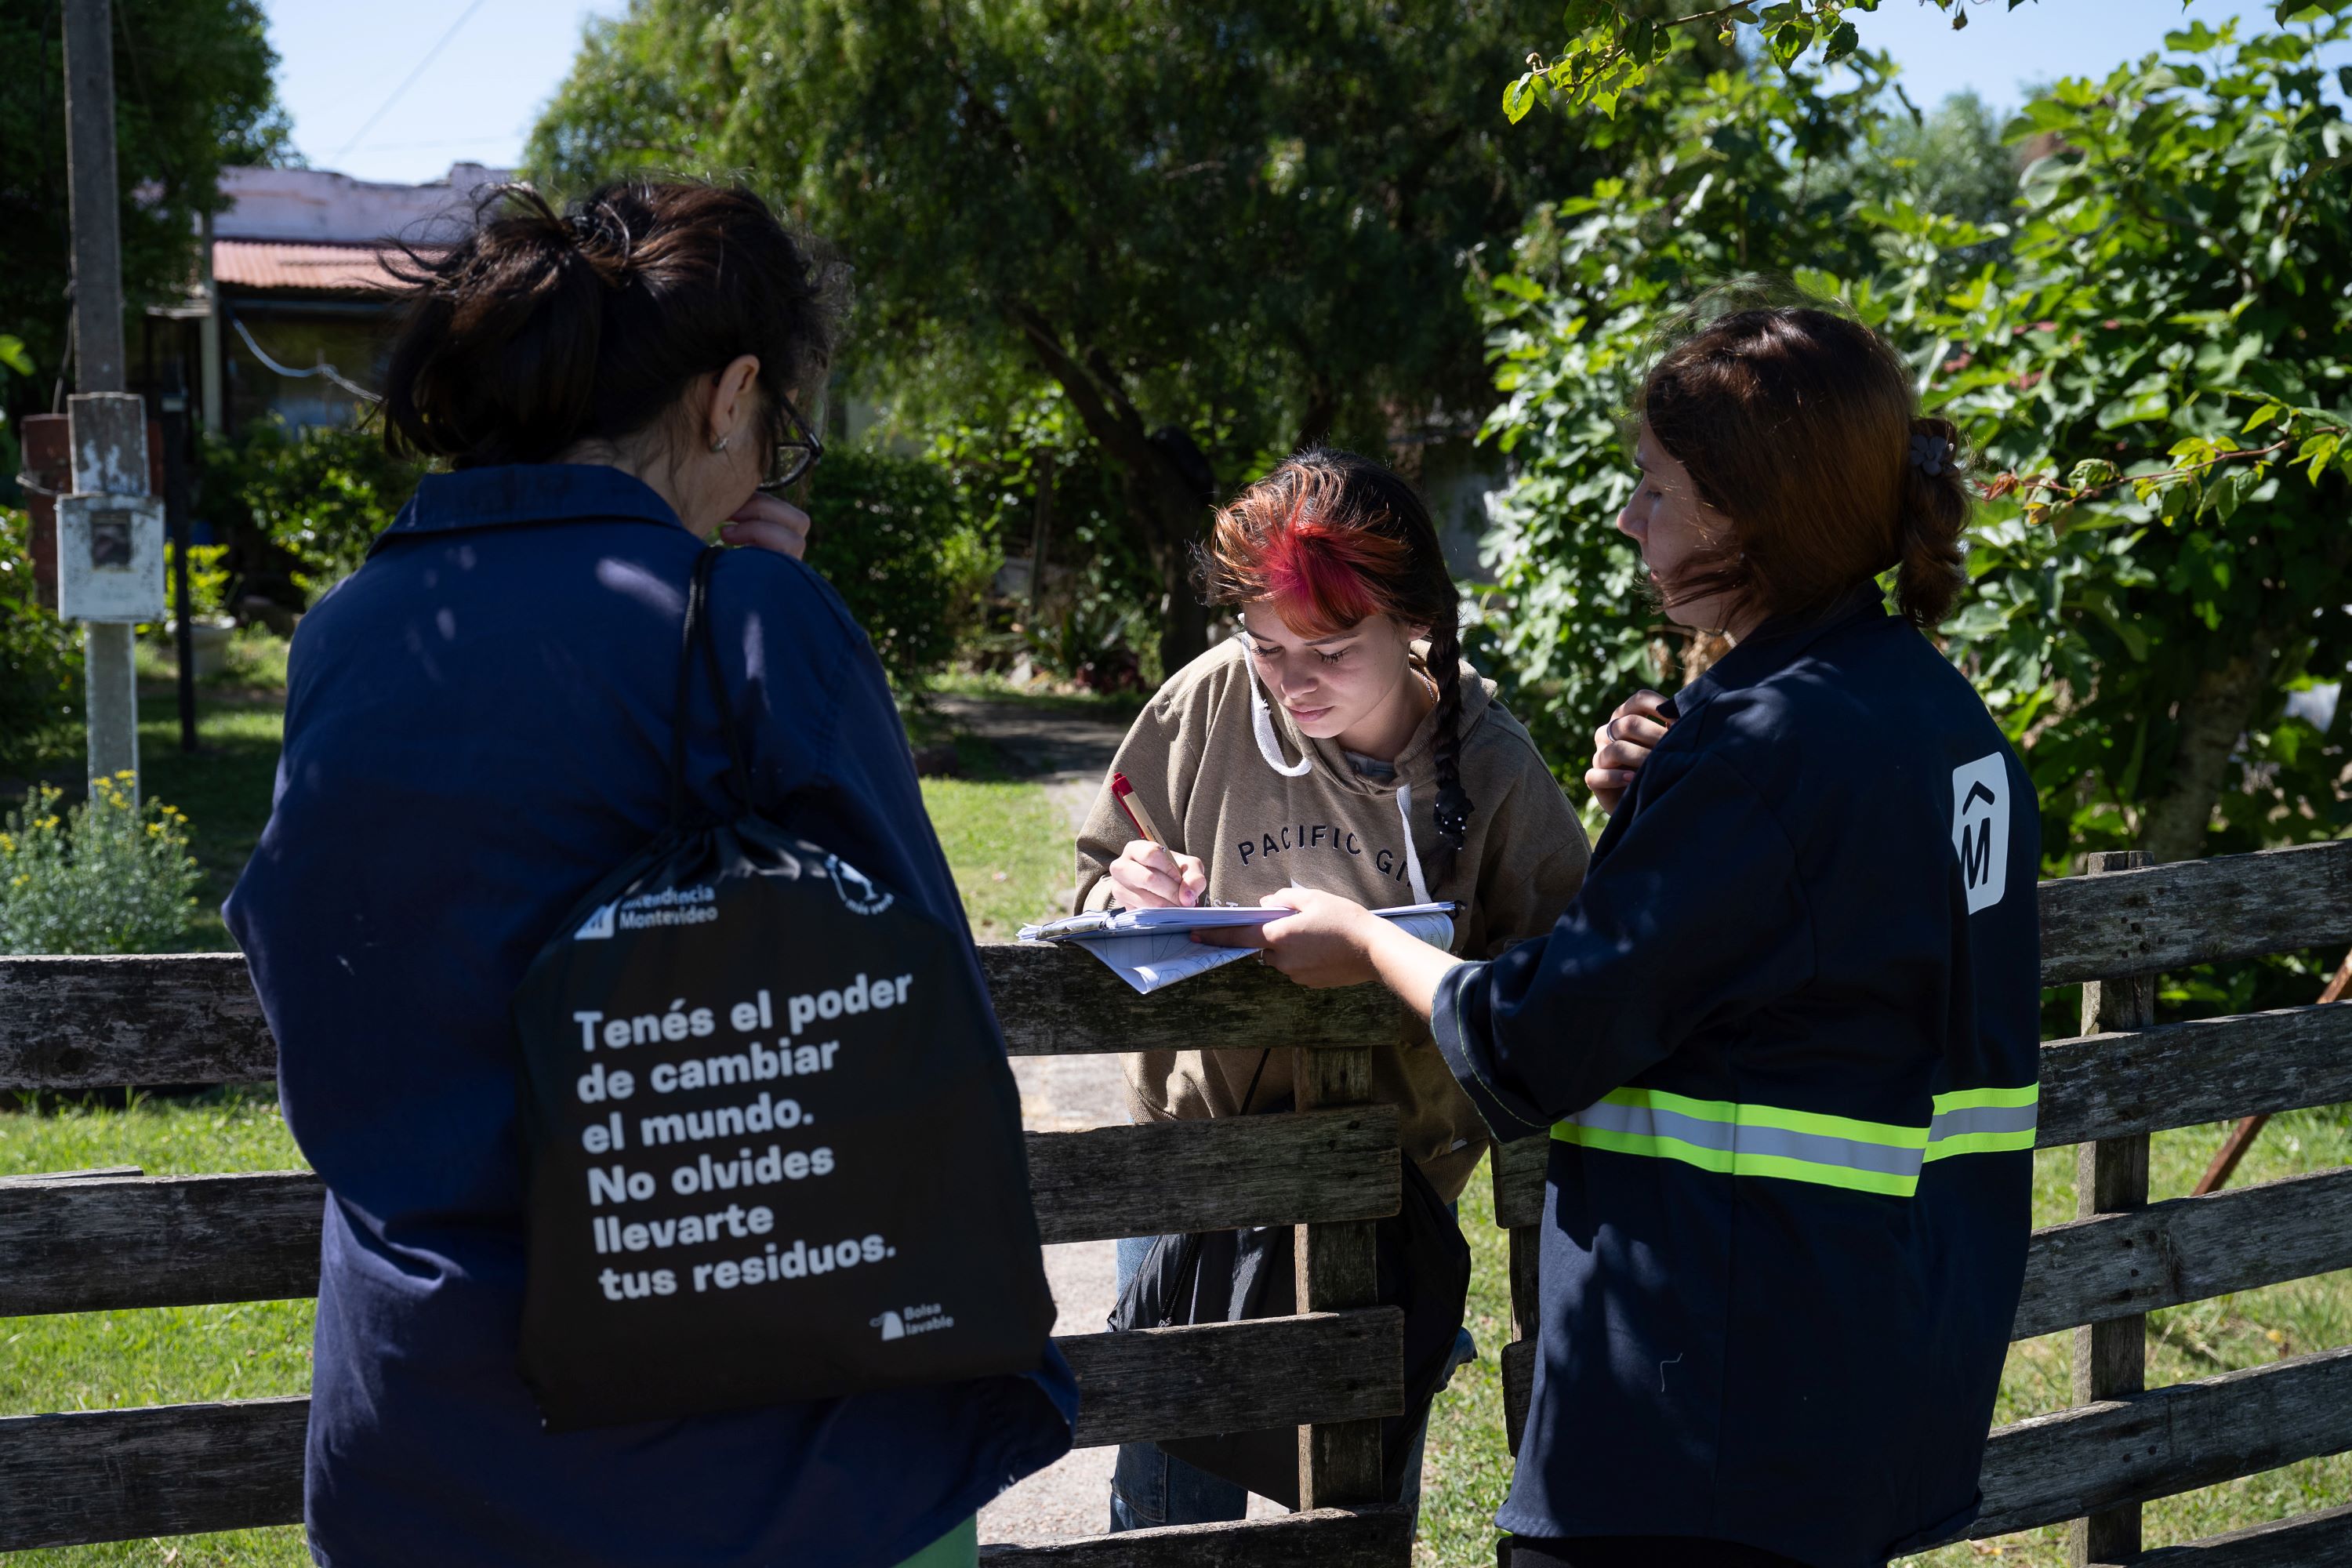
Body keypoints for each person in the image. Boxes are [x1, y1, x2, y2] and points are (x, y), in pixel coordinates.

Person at [224, 181, 1074, 1568]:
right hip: (754, 1470)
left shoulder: (350, 632)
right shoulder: (749, 628)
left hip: (414, 1448)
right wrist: (761, 624)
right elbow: (924, 1030)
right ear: (730, 395)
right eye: (780, 430)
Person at [1207, 303, 2042, 1567]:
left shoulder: (1770, 749)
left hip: (1706, 1408)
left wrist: (1368, 944)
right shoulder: (1940, 718)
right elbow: (1807, 957)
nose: (1625, 519)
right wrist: (1661, 812)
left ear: (1747, 516)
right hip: (1873, 1364)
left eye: (1654, 489)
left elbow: (1544, 1034)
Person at [1072, 447, 1592, 1530]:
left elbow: (1562, 978)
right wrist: (1130, 890)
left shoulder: (1491, 769)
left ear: (1413, 624)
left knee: (1354, 1503)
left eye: (1329, 648)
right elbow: (1092, 882)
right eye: (1266, 647)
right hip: (1194, 1168)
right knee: (1170, 1498)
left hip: (1389, 1188)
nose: (1292, 679)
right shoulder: (1208, 704)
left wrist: (1382, 961)